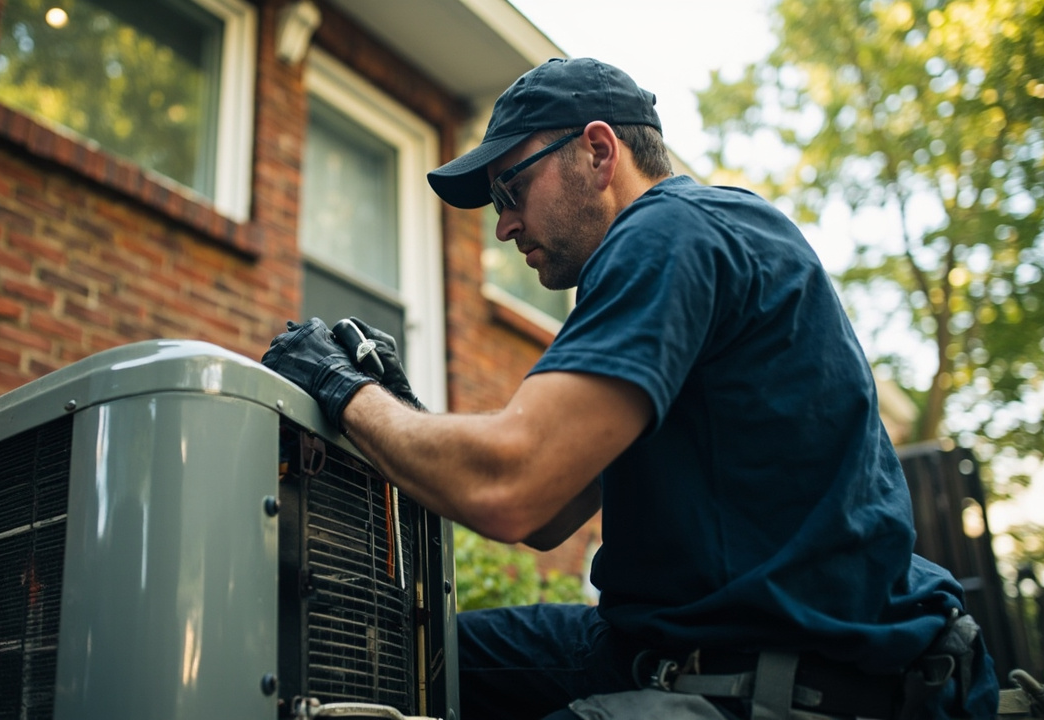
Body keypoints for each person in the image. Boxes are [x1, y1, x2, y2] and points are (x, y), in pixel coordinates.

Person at [262, 58, 998, 719]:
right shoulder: (711, 236)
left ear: (599, 150)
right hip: (687, 634)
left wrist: (338, 386)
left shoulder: (667, 231)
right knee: (398, 652)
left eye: (511, 188)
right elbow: (547, 511)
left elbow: (511, 488)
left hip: (786, 673)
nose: (504, 226)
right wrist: (404, 416)